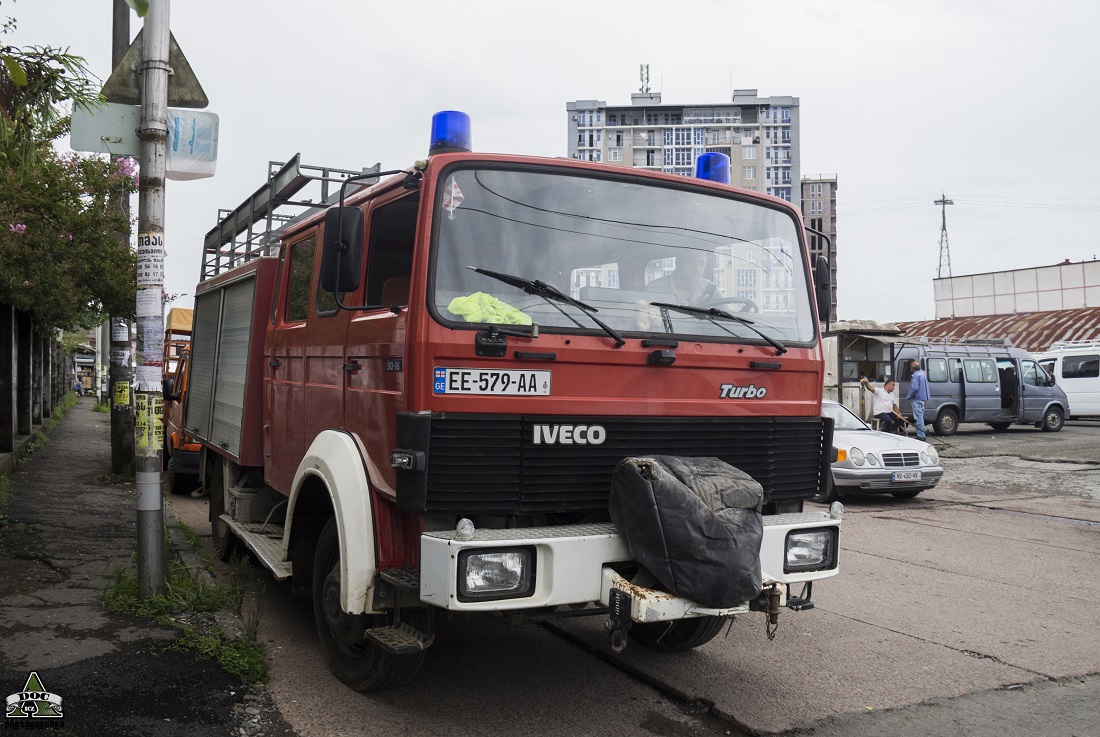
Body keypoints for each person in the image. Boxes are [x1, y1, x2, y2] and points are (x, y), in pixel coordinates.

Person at [644, 250, 721, 306]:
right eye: (691, 262)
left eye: (702, 263)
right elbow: (649, 323)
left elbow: (730, 318)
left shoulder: (712, 290)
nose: (697, 269)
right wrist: (689, 310)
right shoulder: (655, 289)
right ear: (678, 263)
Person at [907, 360, 930, 440]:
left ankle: (920, 435)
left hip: (917, 398)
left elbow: (914, 387)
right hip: (923, 398)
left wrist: (910, 395)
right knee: (921, 417)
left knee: (918, 418)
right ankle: (922, 434)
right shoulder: (923, 374)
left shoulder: (916, 375)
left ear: (912, 368)